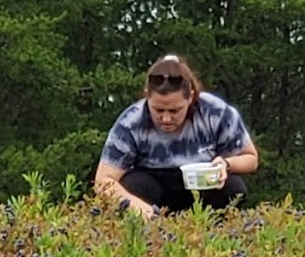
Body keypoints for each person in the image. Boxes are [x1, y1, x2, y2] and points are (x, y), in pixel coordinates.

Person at [94, 55, 258, 218]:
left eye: (174, 111)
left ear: (191, 97)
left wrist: (226, 164)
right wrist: (134, 206)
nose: (166, 119)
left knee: (234, 188)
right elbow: (103, 181)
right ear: (147, 96)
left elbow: (251, 158)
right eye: (158, 110)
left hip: (203, 187)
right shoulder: (130, 122)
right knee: (132, 185)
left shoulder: (216, 112)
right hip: (153, 188)